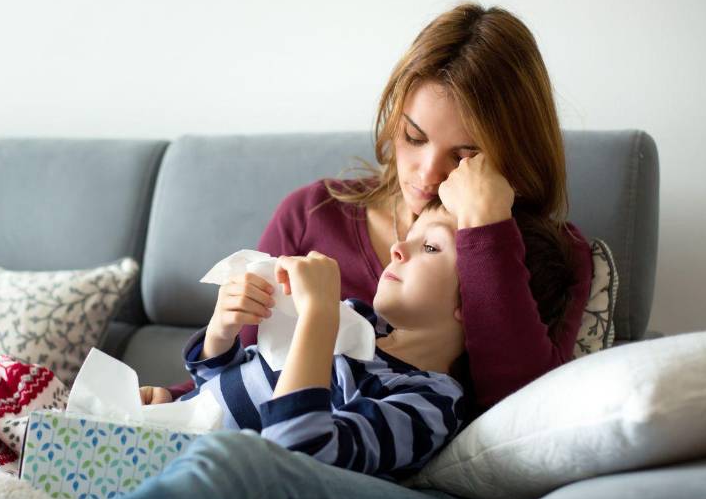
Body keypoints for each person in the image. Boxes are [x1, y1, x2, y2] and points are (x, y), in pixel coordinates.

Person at [0, 2, 593, 499]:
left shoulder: (541, 256)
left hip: (403, 488)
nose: (426, 175)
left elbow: (519, 414)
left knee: (238, 467)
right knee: (3, 443)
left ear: (502, 156)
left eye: (464, 154)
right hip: (244, 455)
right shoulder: (315, 216)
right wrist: (169, 402)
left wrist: (487, 233)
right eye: (414, 138)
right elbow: (250, 384)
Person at [143, 201, 467, 478]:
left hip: (196, 477)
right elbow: (231, 386)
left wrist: (318, 315)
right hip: (157, 440)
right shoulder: (358, 320)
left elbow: (296, 454)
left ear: (473, 298)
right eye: (408, 237)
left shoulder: (432, 402)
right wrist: (221, 332)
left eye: (430, 247)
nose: (397, 248)